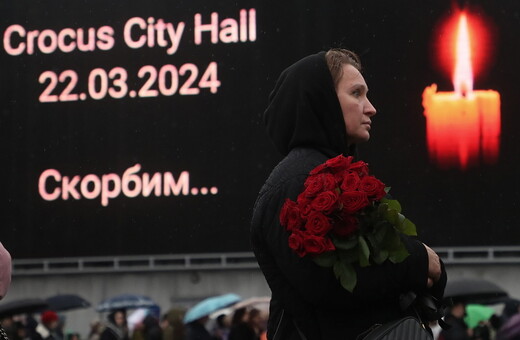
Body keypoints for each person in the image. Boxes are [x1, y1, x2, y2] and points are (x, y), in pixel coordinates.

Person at [250, 48, 447, 340]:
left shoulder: (316, 172)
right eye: (356, 93)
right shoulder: (300, 180)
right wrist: (420, 260)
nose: (371, 108)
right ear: (322, 102)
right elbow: (331, 284)